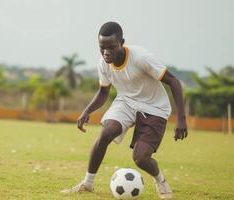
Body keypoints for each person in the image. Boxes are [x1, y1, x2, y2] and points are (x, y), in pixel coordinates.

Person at [61, 21, 188, 199]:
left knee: (141, 158)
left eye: (111, 47)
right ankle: (87, 183)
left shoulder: (141, 57)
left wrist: (181, 119)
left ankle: (161, 181)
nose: (106, 52)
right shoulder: (103, 63)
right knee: (106, 133)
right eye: (102, 47)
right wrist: (87, 111)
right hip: (126, 102)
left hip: (154, 107)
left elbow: (174, 81)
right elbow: (104, 92)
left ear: (122, 42)